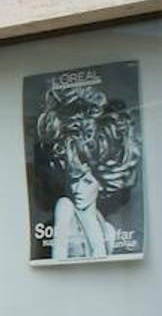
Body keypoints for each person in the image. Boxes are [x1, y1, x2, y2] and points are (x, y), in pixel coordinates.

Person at [34, 86, 143, 261]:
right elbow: (58, 260)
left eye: (87, 182)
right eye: (73, 178)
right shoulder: (65, 207)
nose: (76, 188)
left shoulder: (107, 229)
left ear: (102, 183)